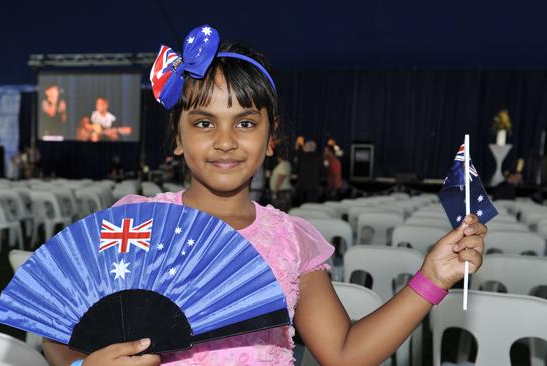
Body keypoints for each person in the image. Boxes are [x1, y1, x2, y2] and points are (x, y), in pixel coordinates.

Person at [42, 25, 486, 366]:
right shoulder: (134, 223)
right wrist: (83, 362)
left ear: (272, 138)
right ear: (177, 138)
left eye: (246, 122)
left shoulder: (291, 239)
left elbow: (345, 354)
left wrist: (432, 277)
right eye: (203, 122)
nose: (225, 140)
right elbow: (58, 330)